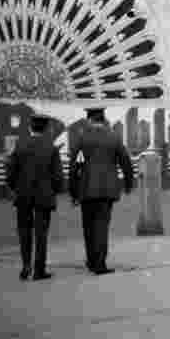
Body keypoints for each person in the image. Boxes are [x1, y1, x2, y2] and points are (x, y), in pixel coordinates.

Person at [70, 108, 134, 275]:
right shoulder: (113, 136)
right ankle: (100, 263)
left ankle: (91, 261)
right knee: (101, 226)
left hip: (86, 189)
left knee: (88, 226)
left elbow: (74, 166)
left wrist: (73, 191)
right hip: (107, 189)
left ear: (89, 120)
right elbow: (125, 162)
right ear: (103, 119)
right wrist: (128, 184)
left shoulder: (82, 138)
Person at [5, 114, 64, 281]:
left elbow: (11, 171)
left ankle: (25, 266)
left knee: (24, 232)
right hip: (44, 196)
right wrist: (56, 190)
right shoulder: (51, 148)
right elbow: (58, 176)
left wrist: (14, 187)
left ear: (31, 128)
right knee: (41, 233)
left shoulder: (20, 145)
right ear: (45, 128)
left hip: (23, 195)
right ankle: (39, 270)